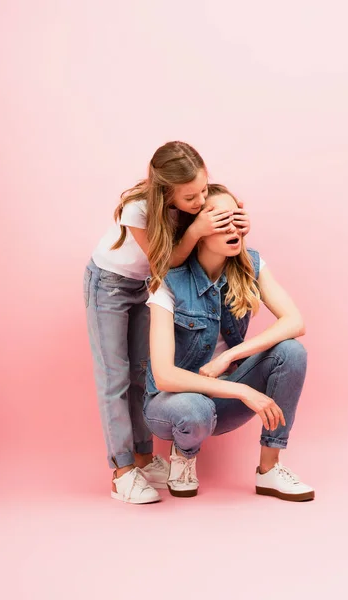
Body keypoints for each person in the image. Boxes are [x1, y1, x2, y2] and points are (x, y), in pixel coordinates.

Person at [83, 142, 250, 504]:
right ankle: (122, 471)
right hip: (111, 285)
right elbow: (166, 263)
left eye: (203, 190)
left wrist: (238, 219)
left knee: (144, 373)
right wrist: (194, 230)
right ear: (165, 191)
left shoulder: (192, 201)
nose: (200, 200)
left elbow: (219, 222)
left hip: (149, 287)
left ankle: (143, 459)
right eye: (191, 196)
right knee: (115, 376)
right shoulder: (138, 208)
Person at [143, 184, 315, 502]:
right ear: (199, 230)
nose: (233, 226)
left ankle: (269, 470)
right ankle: (183, 455)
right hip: (173, 404)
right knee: (194, 408)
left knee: (290, 351)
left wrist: (230, 356)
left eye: (236, 217)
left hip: (222, 399)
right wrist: (242, 390)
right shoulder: (168, 282)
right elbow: (165, 376)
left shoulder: (250, 265)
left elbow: (295, 322)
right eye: (221, 220)